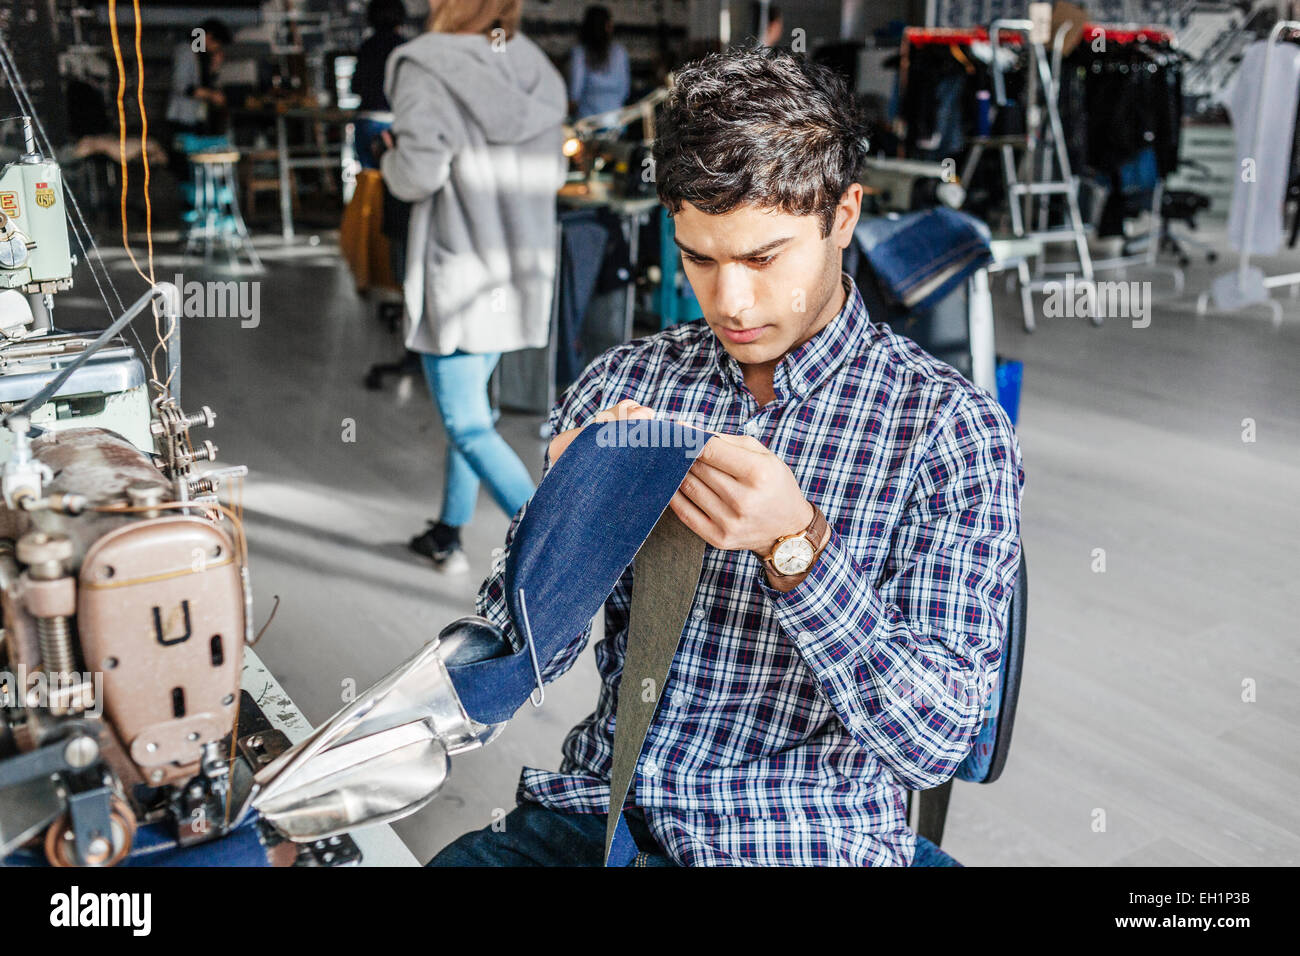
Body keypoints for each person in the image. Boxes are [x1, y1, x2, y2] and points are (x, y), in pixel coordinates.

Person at [429, 45, 1024, 866]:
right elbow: (513, 653)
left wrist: (800, 552)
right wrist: (573, 524)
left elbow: (934, 743)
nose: (731, 302)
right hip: (600, 822)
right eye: (699, 259)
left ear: (843, 215)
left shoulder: (949, 431)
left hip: (802, 840)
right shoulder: (623, 384)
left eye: (763, 257)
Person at [378, 0, 567, 573]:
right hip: (513, 270)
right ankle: (446, 533)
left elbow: (420, 173)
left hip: (458, 266)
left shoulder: (423, 64)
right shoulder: (533, 66)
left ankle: (563, 558)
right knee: (474, 410)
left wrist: (389, 160)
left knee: (465, 423)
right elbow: (553, 172)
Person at [567, 6, 630, 121]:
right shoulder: (620, 52)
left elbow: (575, 91)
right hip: (615, 121)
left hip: (587, 121)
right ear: (607, 26)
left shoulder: (580, 52)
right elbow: (625, 91)